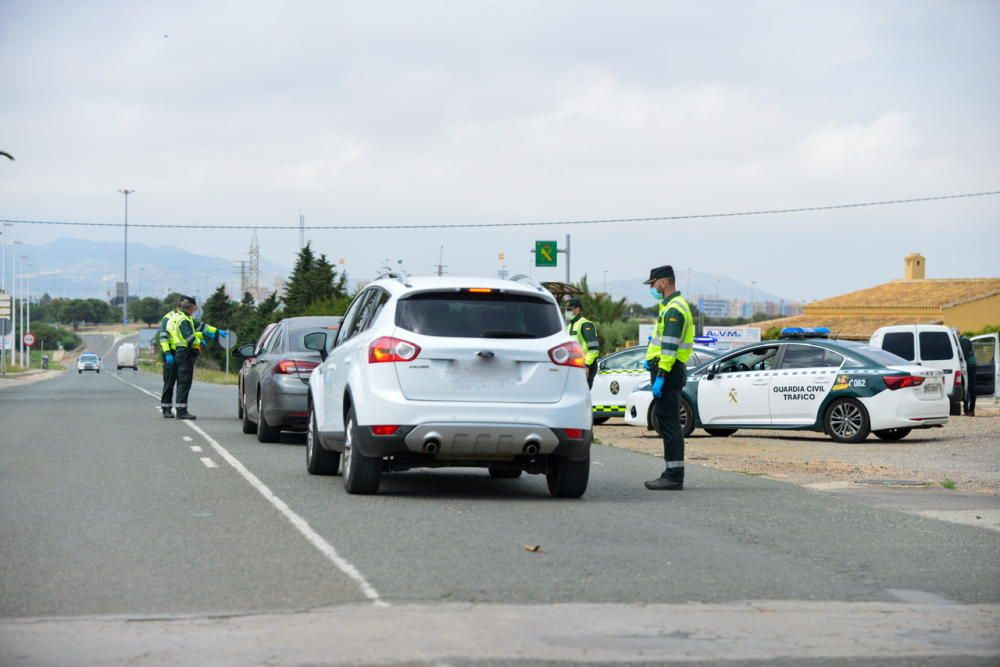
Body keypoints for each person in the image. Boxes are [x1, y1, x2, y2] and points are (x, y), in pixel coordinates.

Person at [642, 265, 694, 491]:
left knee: (670, 423)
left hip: (669, 371)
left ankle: (673, 475)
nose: (652, 288)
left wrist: (661, 375)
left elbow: (670, 348)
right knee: (667, 422)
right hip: (669, 370)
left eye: (653, 284)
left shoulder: (674, 309)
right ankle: (671, 472)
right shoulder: (671, 307)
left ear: (663, 282)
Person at [164, 295, 227, 420]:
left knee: (183, 382)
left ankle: (181, 409)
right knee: (184, 382)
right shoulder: (184, 320)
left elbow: (201, 327)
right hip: (185, 353)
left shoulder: (182, 317)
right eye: (195, 308)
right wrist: (200, 340)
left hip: (181, 353)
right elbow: (189, 338)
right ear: (192, 308)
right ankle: (181, 411)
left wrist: (216, 331)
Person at [566, 297, 600, 388]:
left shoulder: (585, 324)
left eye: (569, 309)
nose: (567, 311)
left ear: (577, 309)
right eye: (566, 309)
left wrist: (586, 365)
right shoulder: (569, 326)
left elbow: (594, 349)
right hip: (574, 366)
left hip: (585, 366)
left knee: (582, 396)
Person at [960, 335, 977, 417]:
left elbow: (963, 354)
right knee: (968, 388)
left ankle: (970, 410)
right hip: (969, 365)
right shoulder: (964, 339)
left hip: (969, 366)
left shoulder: (964, 341)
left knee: (969, 387)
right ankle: (968, 410)